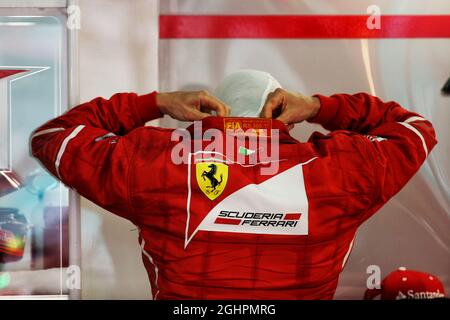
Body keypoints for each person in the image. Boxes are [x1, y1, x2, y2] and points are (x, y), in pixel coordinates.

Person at [30, 70, 437, 299]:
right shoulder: (345, 169)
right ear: (285, 115)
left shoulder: (155, 163)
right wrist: (318, 106)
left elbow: (54, 136)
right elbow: (415, 129)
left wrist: (153, 103)